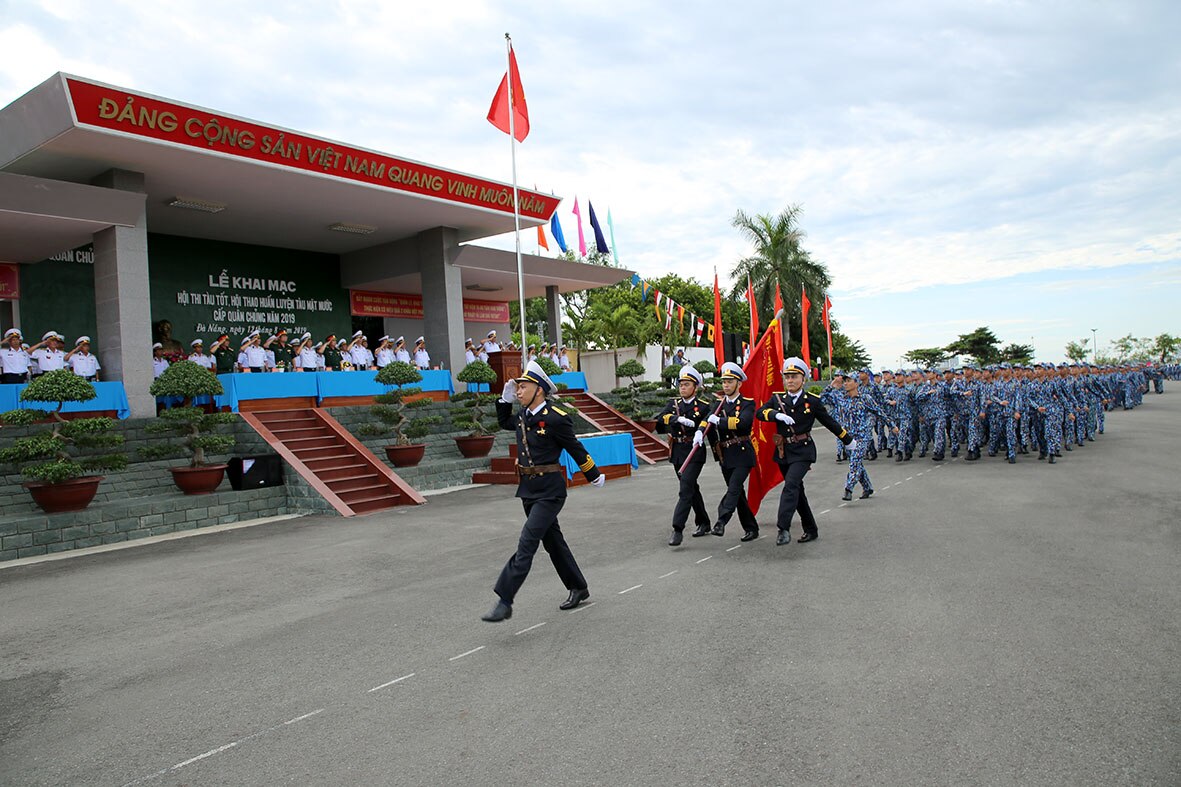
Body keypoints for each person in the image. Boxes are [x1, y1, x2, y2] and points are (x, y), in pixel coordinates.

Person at [481, 360, 605, 622]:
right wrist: (503, 401)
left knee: (527, 541)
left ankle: (505, 599)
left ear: (539, 389)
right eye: (517, 388)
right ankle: (578, 587)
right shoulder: (524, 417)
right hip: (528, 490)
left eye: (523, 387)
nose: (518, 392)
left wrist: (593, 474)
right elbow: (505, 421)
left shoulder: (556, 419)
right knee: (553, 542)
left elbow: (575, 449)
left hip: (550, 492)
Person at [755, 357, 854, 546]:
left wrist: (847, 440)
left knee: (791, 485)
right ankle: (811, 528)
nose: (790, 380)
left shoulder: (812, 401)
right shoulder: (777, 399)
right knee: (797, 492)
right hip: (784, 451)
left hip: (803, 451)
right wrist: (776, 414)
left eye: (794, 376)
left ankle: (783, 528)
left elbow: (829, 422)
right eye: (787, 377)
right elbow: (760, 413)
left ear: (803, 379)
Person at [695, 361, 759, 540]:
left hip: (742, 452)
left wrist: (720, 422)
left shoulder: (747, 403)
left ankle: (721, 521)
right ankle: (751, 528)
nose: (726, 385)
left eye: (730, 382)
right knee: (737, 494)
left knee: (733, 488)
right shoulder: (718, 404)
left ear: (739, 383)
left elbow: (743, 423)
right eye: (724, 382)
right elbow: (706, 419)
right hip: (725, 455)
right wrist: (700, 432)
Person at [654, 366, 717, 545]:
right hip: (677, 452)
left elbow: (709, 427)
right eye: (681, 384)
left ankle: (677, 528)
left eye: (687, 384)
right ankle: (704, 522)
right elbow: (659, 420)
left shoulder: (704, 406)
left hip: (694, 450)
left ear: (695, 387)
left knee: (685, 488)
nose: (683, 387)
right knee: (691, 488)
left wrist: (715, 450)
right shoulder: (673, 405)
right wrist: (677, 419)